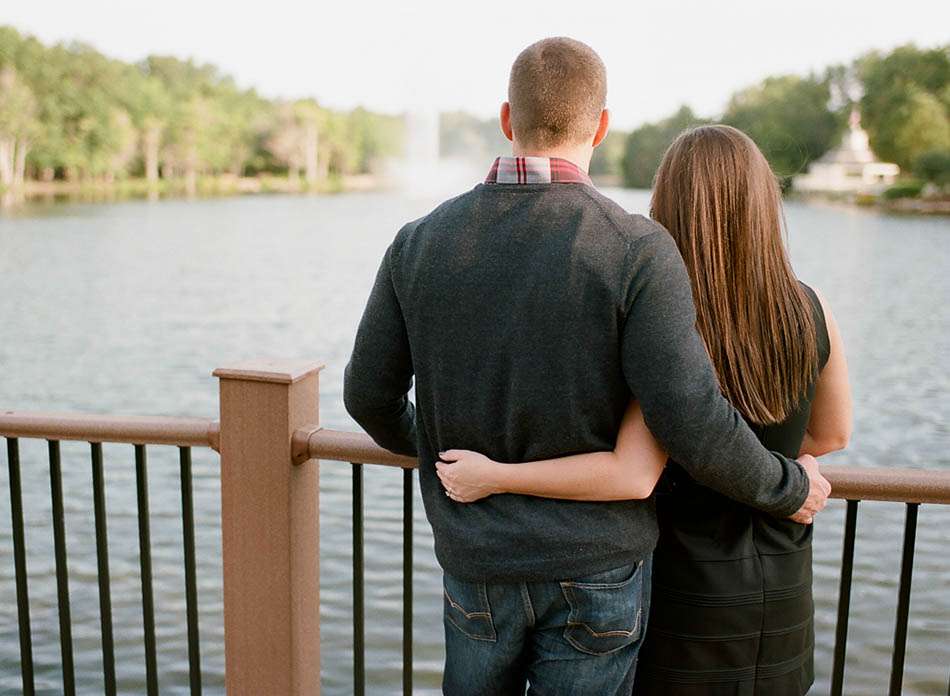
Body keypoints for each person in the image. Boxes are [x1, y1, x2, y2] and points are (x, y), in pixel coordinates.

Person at [343, 38, 830, 695]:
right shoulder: (635, 248)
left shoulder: (419, 242)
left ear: (508, 119)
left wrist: (442, 452)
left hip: (477, 560)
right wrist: (788, 489)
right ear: (601, 125)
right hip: (597, 569)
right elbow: (691, 416)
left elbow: (368, 397)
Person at [436, 124, 852, 695]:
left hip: (684, 595)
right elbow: (832, 433)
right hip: (780, 588)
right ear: (763, 204)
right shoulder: (811, 307)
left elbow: (634, 469)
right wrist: (788, 472)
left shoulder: (663, 322)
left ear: (667, 202)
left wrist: (494, 475)